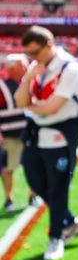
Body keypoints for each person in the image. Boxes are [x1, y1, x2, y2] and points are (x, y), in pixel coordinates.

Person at [14, 26, 78, 260]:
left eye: (35, 52)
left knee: (57, 189)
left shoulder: (70, 67)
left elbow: (52, 108)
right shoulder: (38, 68)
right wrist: (28, 77)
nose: (32, 59)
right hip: (36, 135)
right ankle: (69, 221)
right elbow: (20, 102)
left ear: (49, 45)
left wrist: (31, 108)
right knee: (35, 181)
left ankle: (56, 237)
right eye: (29, 54)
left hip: (60, 136)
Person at [0, 54, 41, 212]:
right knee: (8, 168)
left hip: (31, 132)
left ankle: (33, 195)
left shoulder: (30, 82)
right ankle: (8, 199)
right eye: (23, 64)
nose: (26, 67)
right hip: (10, 133)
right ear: (12, 67)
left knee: (33, 166)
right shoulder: (2, 86)